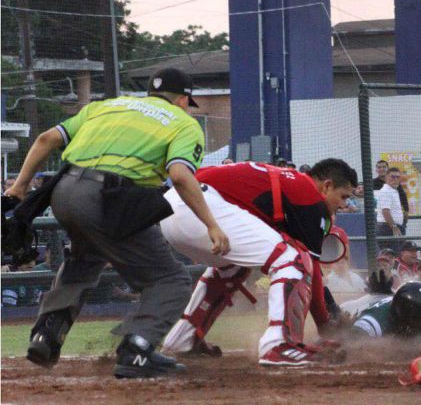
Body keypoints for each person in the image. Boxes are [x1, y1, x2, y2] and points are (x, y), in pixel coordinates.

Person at [4, 68, 228, 379]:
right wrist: (212, 225)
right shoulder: (183, 123)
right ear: (182, 99)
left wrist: (19, 187)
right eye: (187, 102)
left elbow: (47, 138)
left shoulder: (106, 105)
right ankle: (137, 349)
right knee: (170, 280)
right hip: (110, 198)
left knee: (84, 260)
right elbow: (179, 174)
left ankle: (47, 333)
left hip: (62, 190)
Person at [160, 159, 357, 366]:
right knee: (294, 259)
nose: (344, 205)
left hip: (177, 205)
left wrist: (326, 315)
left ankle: (183, 339)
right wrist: (325, 323)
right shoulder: (308, 195)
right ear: (326, 186)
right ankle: (279, 344)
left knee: (232, 268)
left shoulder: (288, 181)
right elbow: (311, 268)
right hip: (200, 205)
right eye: (343, 196)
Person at [375, 167, 405, 238]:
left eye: (397, 177)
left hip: (392, 227)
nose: (395, 179)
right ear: (386, 177)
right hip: (388, 228)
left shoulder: (393, 190)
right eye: (393, 177)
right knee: (390, 249)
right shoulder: (386, 191)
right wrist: (394, 227)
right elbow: (385, 211)